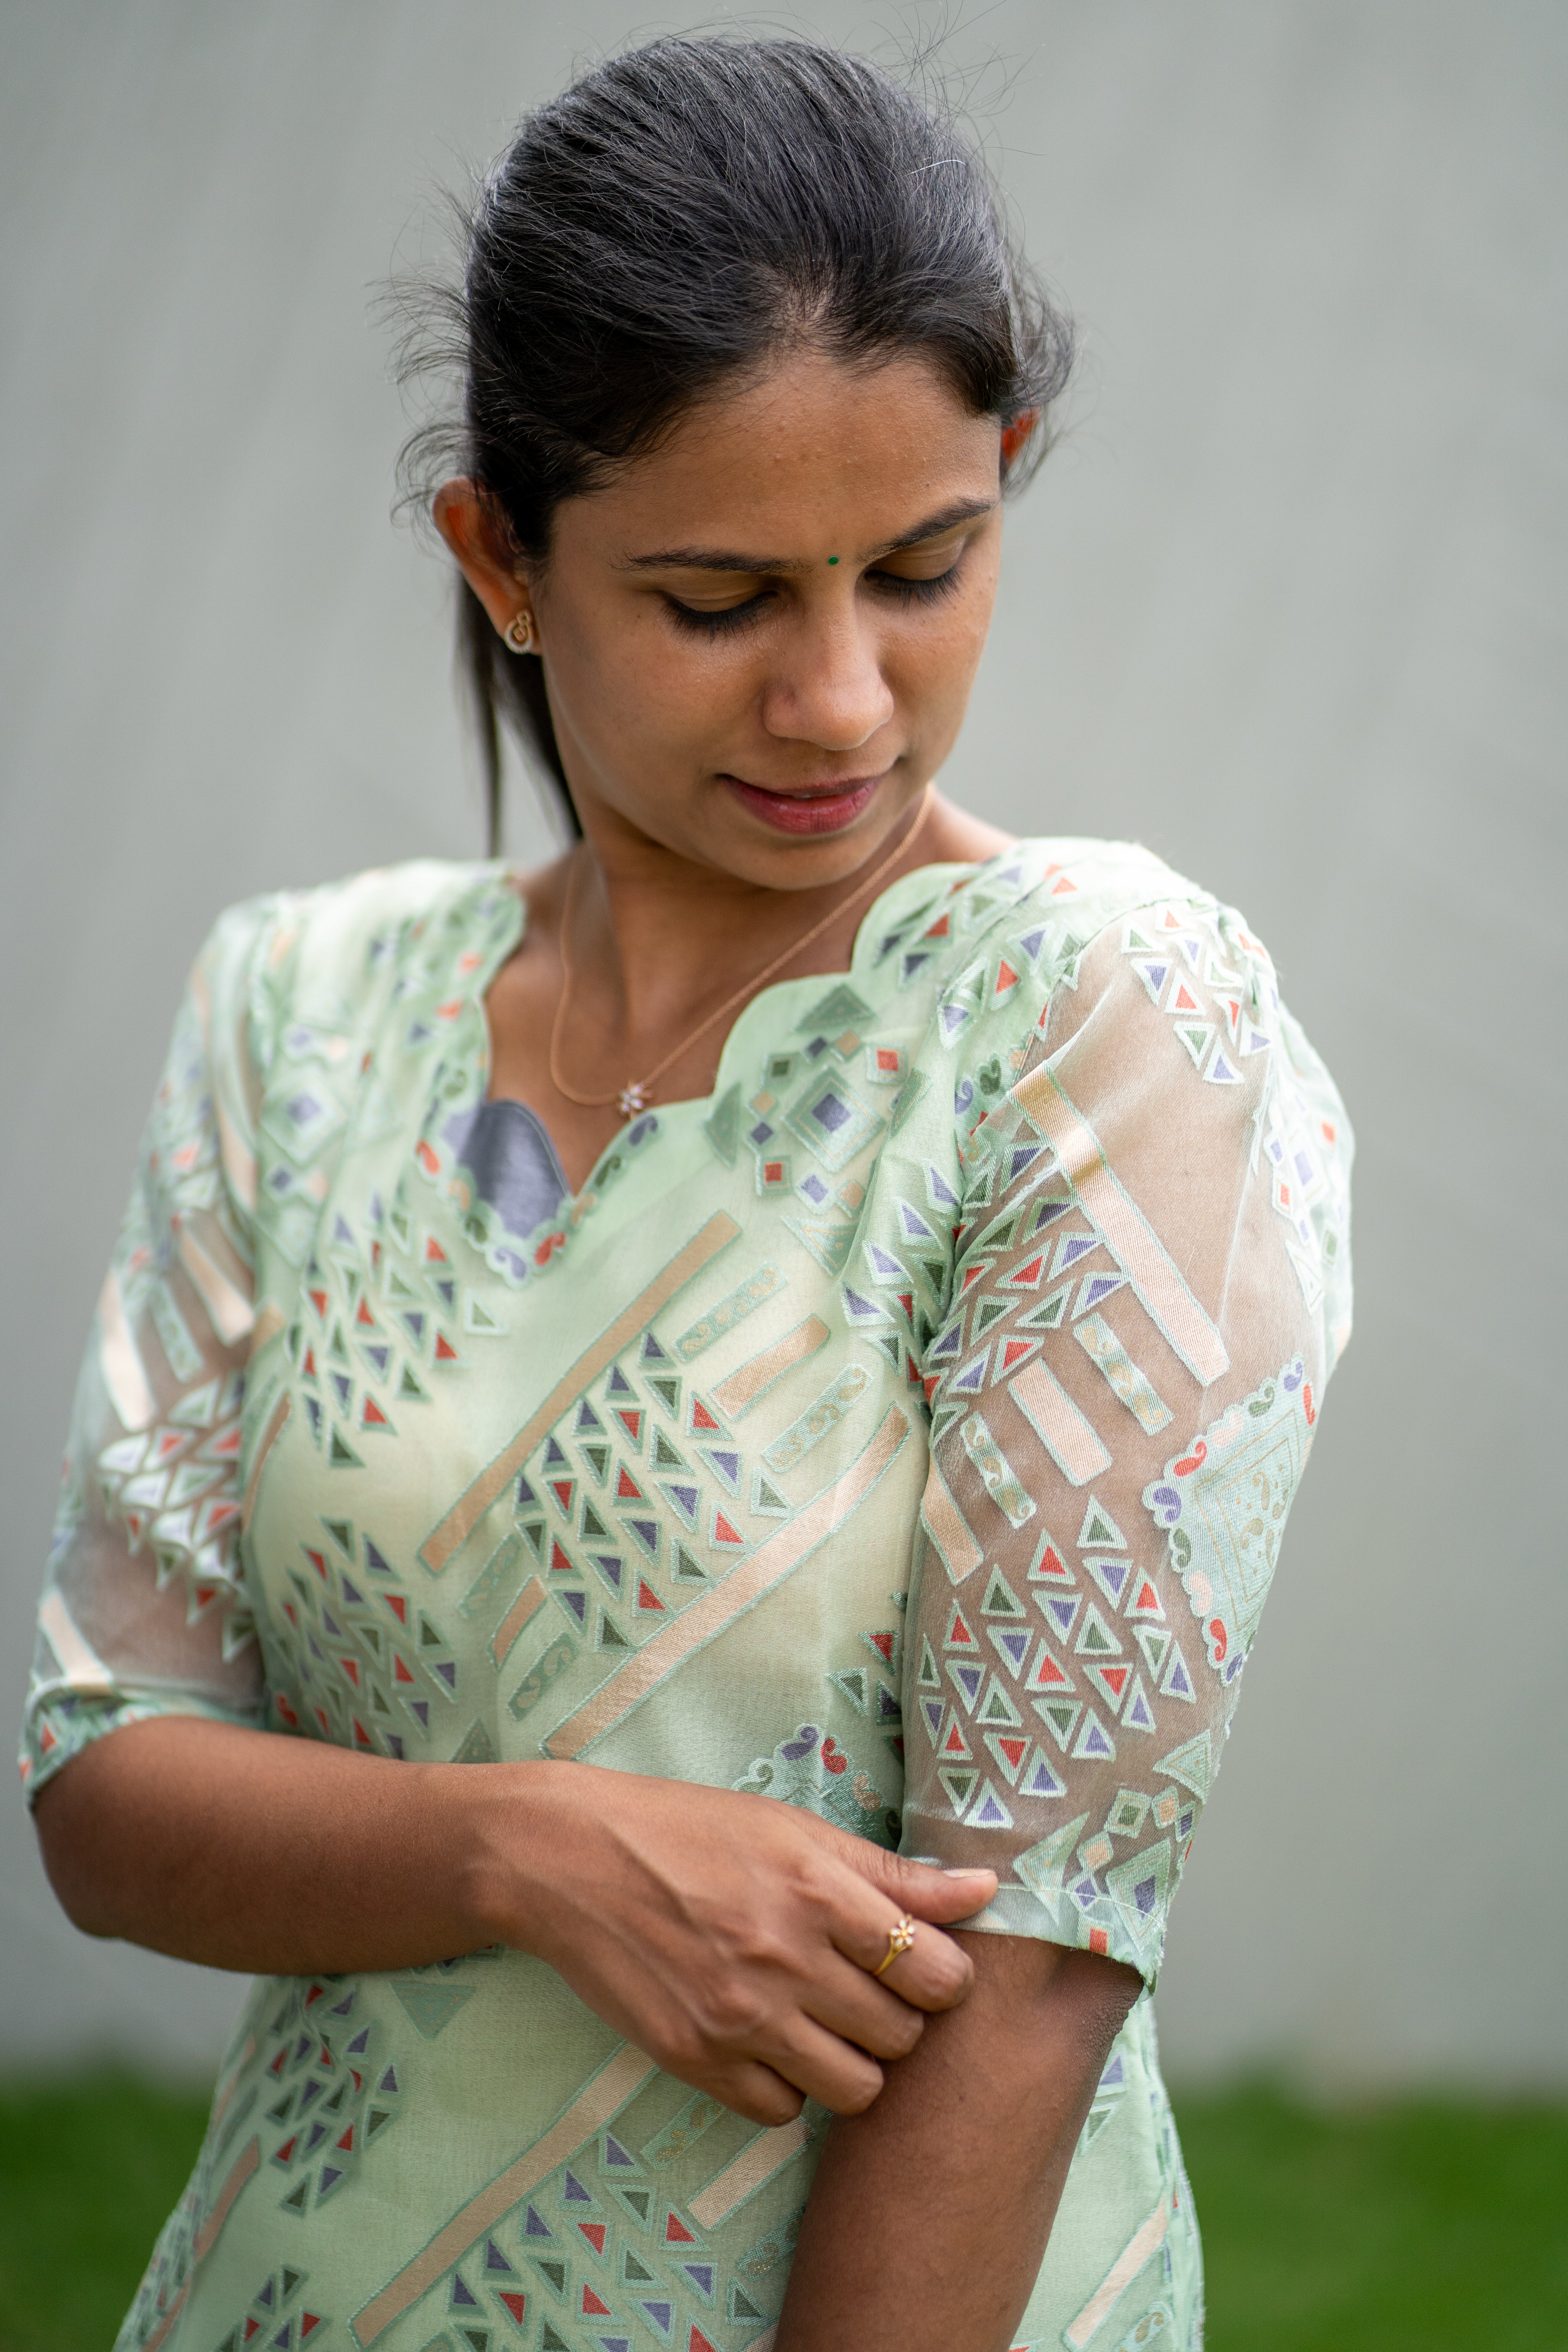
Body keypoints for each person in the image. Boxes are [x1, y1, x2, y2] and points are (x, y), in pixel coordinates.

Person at [23, 37, 1353, 2352]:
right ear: (502, 561)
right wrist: (523, 1848)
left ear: (1005, 487)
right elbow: (104, 1786)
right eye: (722, 599)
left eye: (926, 566)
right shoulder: (304, 1011)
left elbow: (1028, 1967)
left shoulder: (1097, 1023)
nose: (844, 699)